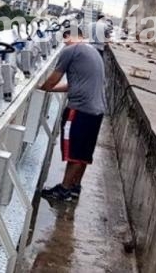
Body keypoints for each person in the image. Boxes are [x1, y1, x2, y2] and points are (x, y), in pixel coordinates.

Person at [38, 24, 106, 201]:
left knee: (74, 153)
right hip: (96, 111)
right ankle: (75, 187)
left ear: (69, 36)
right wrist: (50, 90)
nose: (63, 43)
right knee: (83, 153)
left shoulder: (71, 50)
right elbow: (73, 85)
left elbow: (53, 78)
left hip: (80, 110)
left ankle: (64, 190)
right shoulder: (92, 52)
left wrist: (40, 88)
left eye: (64, 39)